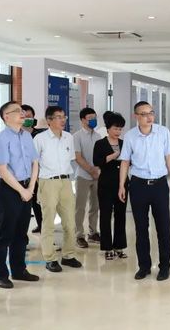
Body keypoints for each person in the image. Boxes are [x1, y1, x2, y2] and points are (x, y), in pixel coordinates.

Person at [119, 101, 170, 281]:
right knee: (141, 228)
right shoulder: (130, 136)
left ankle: (165, 267)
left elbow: (169, 157)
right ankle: (144, 266)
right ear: (136, 116)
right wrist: (122, 185)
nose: (149, 117)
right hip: (138, 185)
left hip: (159, 185)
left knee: (163, 228)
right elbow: (125, 162)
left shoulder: (163, 132)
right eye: (144, 114)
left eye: (151, 113)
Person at [0, 101, 41, 288]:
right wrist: (22, 190)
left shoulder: (27, 136)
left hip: (27, 187)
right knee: (5, 233)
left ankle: (19, 270)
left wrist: (31, 188)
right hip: (8, 188)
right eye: (17, 111)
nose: (23, 114)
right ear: (6, 117)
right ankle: (0, 274)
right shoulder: (0, 139)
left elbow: (35, 162)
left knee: (21, 232)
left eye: (22, 111)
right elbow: (2, 170)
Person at [34, 106, 83, 272]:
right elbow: (34, 163)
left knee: (70, 221)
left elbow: (71, 159)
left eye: (64, 117)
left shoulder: (68, 137)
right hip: (48, 182)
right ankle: (50, 258)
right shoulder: (40, 139)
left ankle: (68, 255)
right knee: (48, 222)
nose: (62, 120)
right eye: (58, 117)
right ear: (49, 120)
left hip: (66, 182)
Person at [93, 111, 128, 260]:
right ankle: (107, 248)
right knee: (105, 215)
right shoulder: (100, 144)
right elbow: (97, 161)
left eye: (120, 129)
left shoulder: (124, 143)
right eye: (115, 128)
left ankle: (119, 246)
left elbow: (129, 161)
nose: (118, 131)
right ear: (108, 128)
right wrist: (114, 156)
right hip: (106, 183)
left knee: (121, 215)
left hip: (122, 183)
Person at [73, 107, 101, 248]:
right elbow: (78, 157)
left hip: (97, 175)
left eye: (95, 117)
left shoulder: (98, 136)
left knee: (95, 206)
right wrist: (91, 170)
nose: (93, 120)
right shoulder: (76, 136)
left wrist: (98, 171)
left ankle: (93, 232)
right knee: (80, 207)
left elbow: (101, 155)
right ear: (83, 120)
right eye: (90, 118)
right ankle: (79, 235)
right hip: (83, 176)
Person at [21, 104, 44, 234]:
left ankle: (42, 226)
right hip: (22, 175)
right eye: (24, 116)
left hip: (38, 173)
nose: (27, 119)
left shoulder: (39, 134)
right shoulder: (17, 134)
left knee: (37, 202)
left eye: (29, 116)